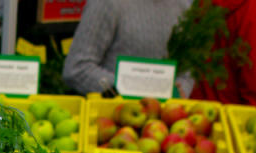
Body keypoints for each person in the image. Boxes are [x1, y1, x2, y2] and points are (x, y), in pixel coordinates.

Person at [62, 0, 194, 96]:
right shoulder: (106, 4)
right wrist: (130, 89)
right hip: (113, 119)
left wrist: (182, 89)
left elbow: (187, 72)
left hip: (166, 122)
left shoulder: (184, 5)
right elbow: (76, 68)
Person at [190, 0, 256, 108]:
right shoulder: (255, 10)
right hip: (233, 115)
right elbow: (254, 81)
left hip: (196, 110)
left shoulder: (199, 4)